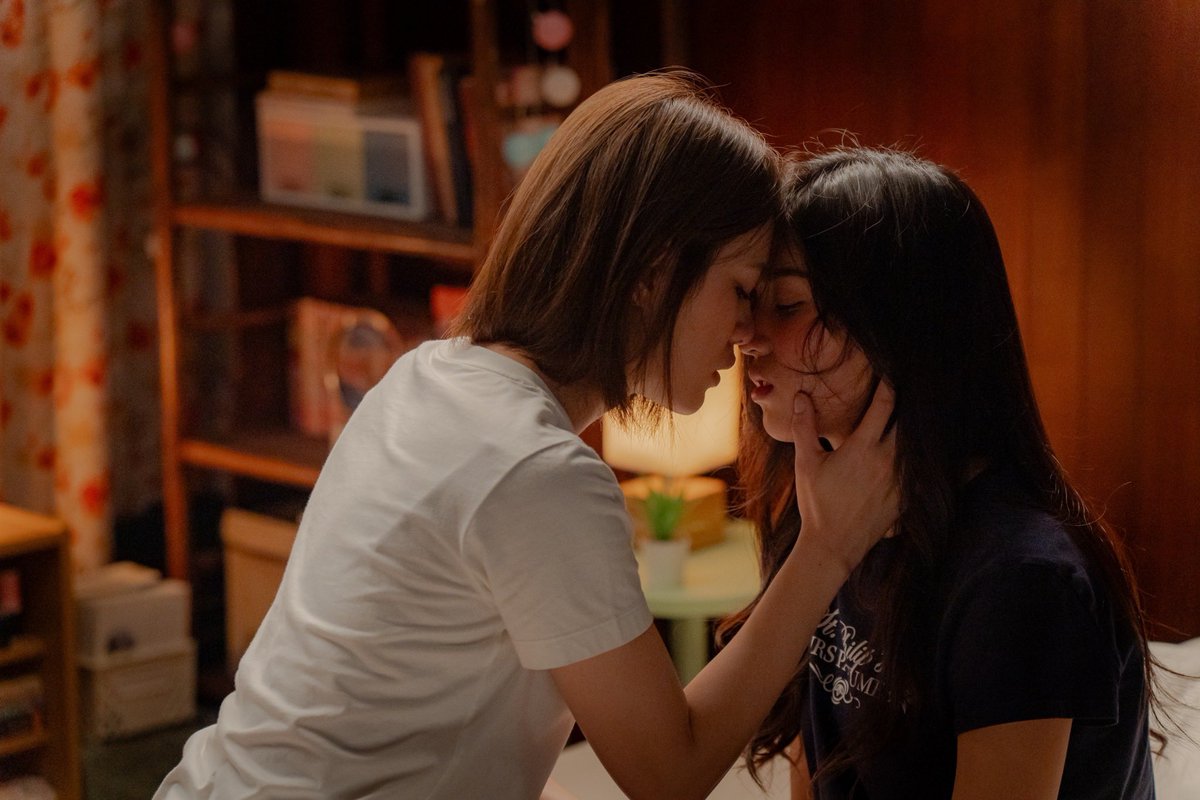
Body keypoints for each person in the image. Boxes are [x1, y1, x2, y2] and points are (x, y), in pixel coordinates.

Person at [154, 75, 899, 800]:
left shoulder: (428, 374)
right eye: (741, 291)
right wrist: (826, 549)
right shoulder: (538, 473)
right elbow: (669, 774)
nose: (745, 333)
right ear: (652, 272)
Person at [726, 147, 1158, 799]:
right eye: (750, 302)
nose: (748, 336)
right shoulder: (825, 520)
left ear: (904, 325)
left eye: (786, 305)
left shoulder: (1019, 579)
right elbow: (813, 771)